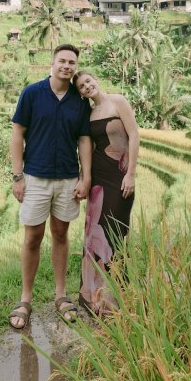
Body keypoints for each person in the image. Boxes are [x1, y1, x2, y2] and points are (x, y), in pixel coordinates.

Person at [8, 44, 92, 329]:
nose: (66, 66)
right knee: (32, 237)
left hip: (67, 179)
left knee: (60, 234)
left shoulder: (80, 101)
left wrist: (85, 177)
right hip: (36, 178)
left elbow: (84, 140)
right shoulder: (32, 93)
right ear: (53, 63)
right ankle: (25, 299)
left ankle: (60, 295)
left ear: (75, 66)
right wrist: (17, 176)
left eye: (72, 62)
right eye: (62, 61)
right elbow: (17, 134)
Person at [72, 70, 139, 317]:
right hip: (98, 179)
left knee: (116, 232)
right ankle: (95, 296)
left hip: (120, 176)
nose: (86, 87)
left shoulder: (118, 101)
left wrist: (130, 173)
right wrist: (85, 178)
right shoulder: (88, 114)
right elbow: (87, 149)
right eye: (81, 86)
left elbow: (134, 135)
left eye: (88, 81)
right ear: (80, 93)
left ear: (96, 80)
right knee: (95, 232)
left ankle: (118, 295)